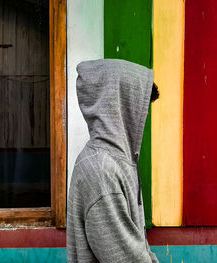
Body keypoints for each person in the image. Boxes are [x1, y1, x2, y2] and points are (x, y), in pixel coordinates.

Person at [67, 59, 160, 263]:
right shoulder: (101, 170)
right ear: (121, 103)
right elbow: (125, 258)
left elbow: (138, 247)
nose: (144, 114)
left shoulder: (116, 161)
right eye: (140, 105)